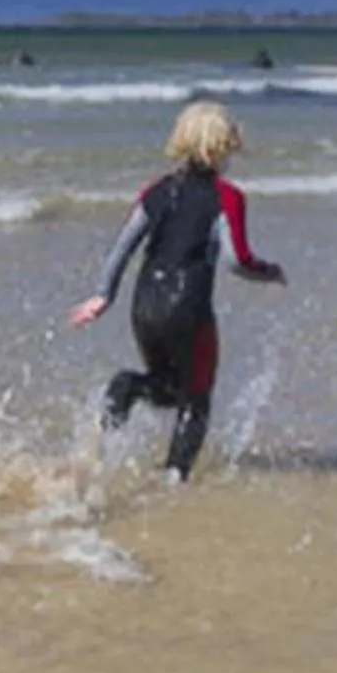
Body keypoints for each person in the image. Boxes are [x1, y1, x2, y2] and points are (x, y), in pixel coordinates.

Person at [67, 100, 286, 481]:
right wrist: (270, 272)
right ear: (224, 145)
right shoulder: (227, 196)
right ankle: (174, 479)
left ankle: (126, 388)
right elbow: (237, 261)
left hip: (145, 306)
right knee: (196, 400)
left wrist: (103, 296)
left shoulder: (155, 191)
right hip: (188, 308)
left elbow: (123, 246)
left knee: (165, 385)